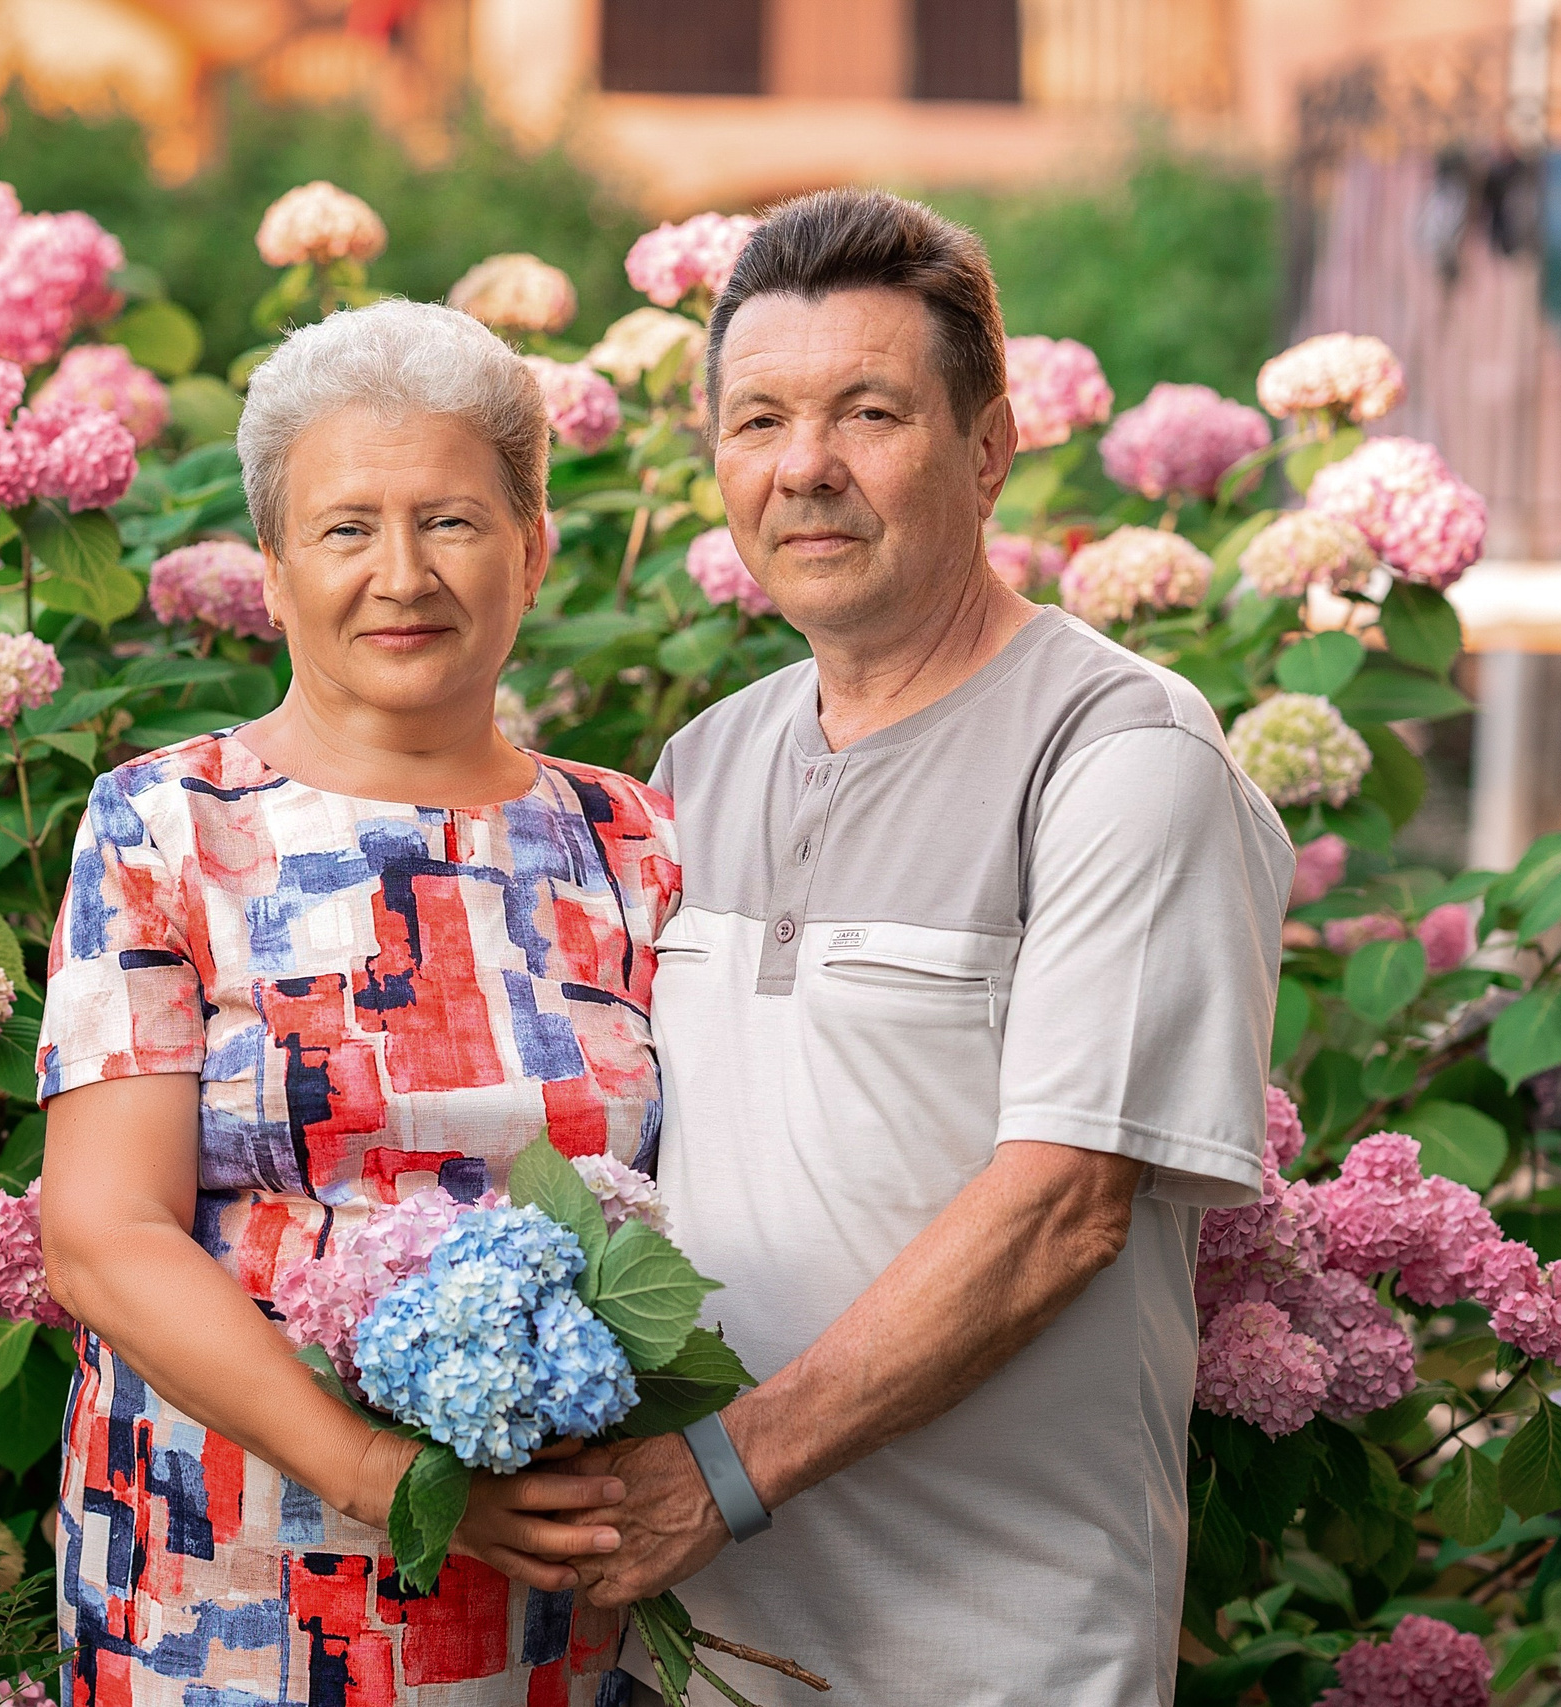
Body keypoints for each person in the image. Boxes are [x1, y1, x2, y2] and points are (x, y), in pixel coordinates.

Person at [563, 190, 1294, 1705]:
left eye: (870, 411)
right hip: (701, 1659)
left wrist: (719, 1475)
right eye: (758, 419)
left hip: (993, 1662)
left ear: (988, 446)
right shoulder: (699, 765)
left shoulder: (1118, 753)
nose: (805, 467)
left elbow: (1062, 1211)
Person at [36, 299, 680, 1707]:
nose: (403, 574)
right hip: (224, 1599)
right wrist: (390, 1479)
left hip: (545, 1605)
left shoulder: (633, 845)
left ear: (535, 548)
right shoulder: (165, 827)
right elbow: (100, 1236)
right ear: (271, 570)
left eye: (452, 521)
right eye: (345, 530)